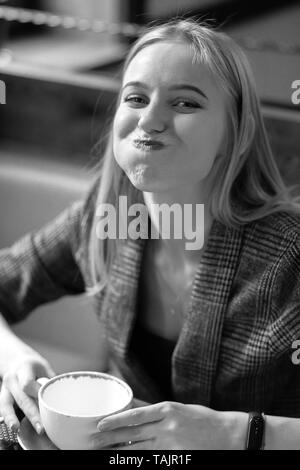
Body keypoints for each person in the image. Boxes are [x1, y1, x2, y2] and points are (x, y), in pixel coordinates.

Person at [0, 18, 300, 450]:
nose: (151, 120)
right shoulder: (103, 219)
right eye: (136, 98)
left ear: (236, 133)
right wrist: (14, 359)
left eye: (185, 104)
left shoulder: (289, 257)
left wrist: (237, 432)